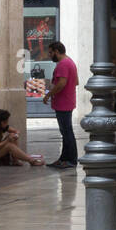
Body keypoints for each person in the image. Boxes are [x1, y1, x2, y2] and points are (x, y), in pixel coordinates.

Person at [43, 41, 79, 169]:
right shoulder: (70, 62)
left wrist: (49, 94)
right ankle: (64, 158)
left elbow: (62, 83)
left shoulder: (63, 64)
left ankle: (72, 160)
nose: (49, 55)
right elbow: (76, 81)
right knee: (65, 131)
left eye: (51, 52)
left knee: (67, 131)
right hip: (67, 101)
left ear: (57, 52)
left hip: (63, 103)